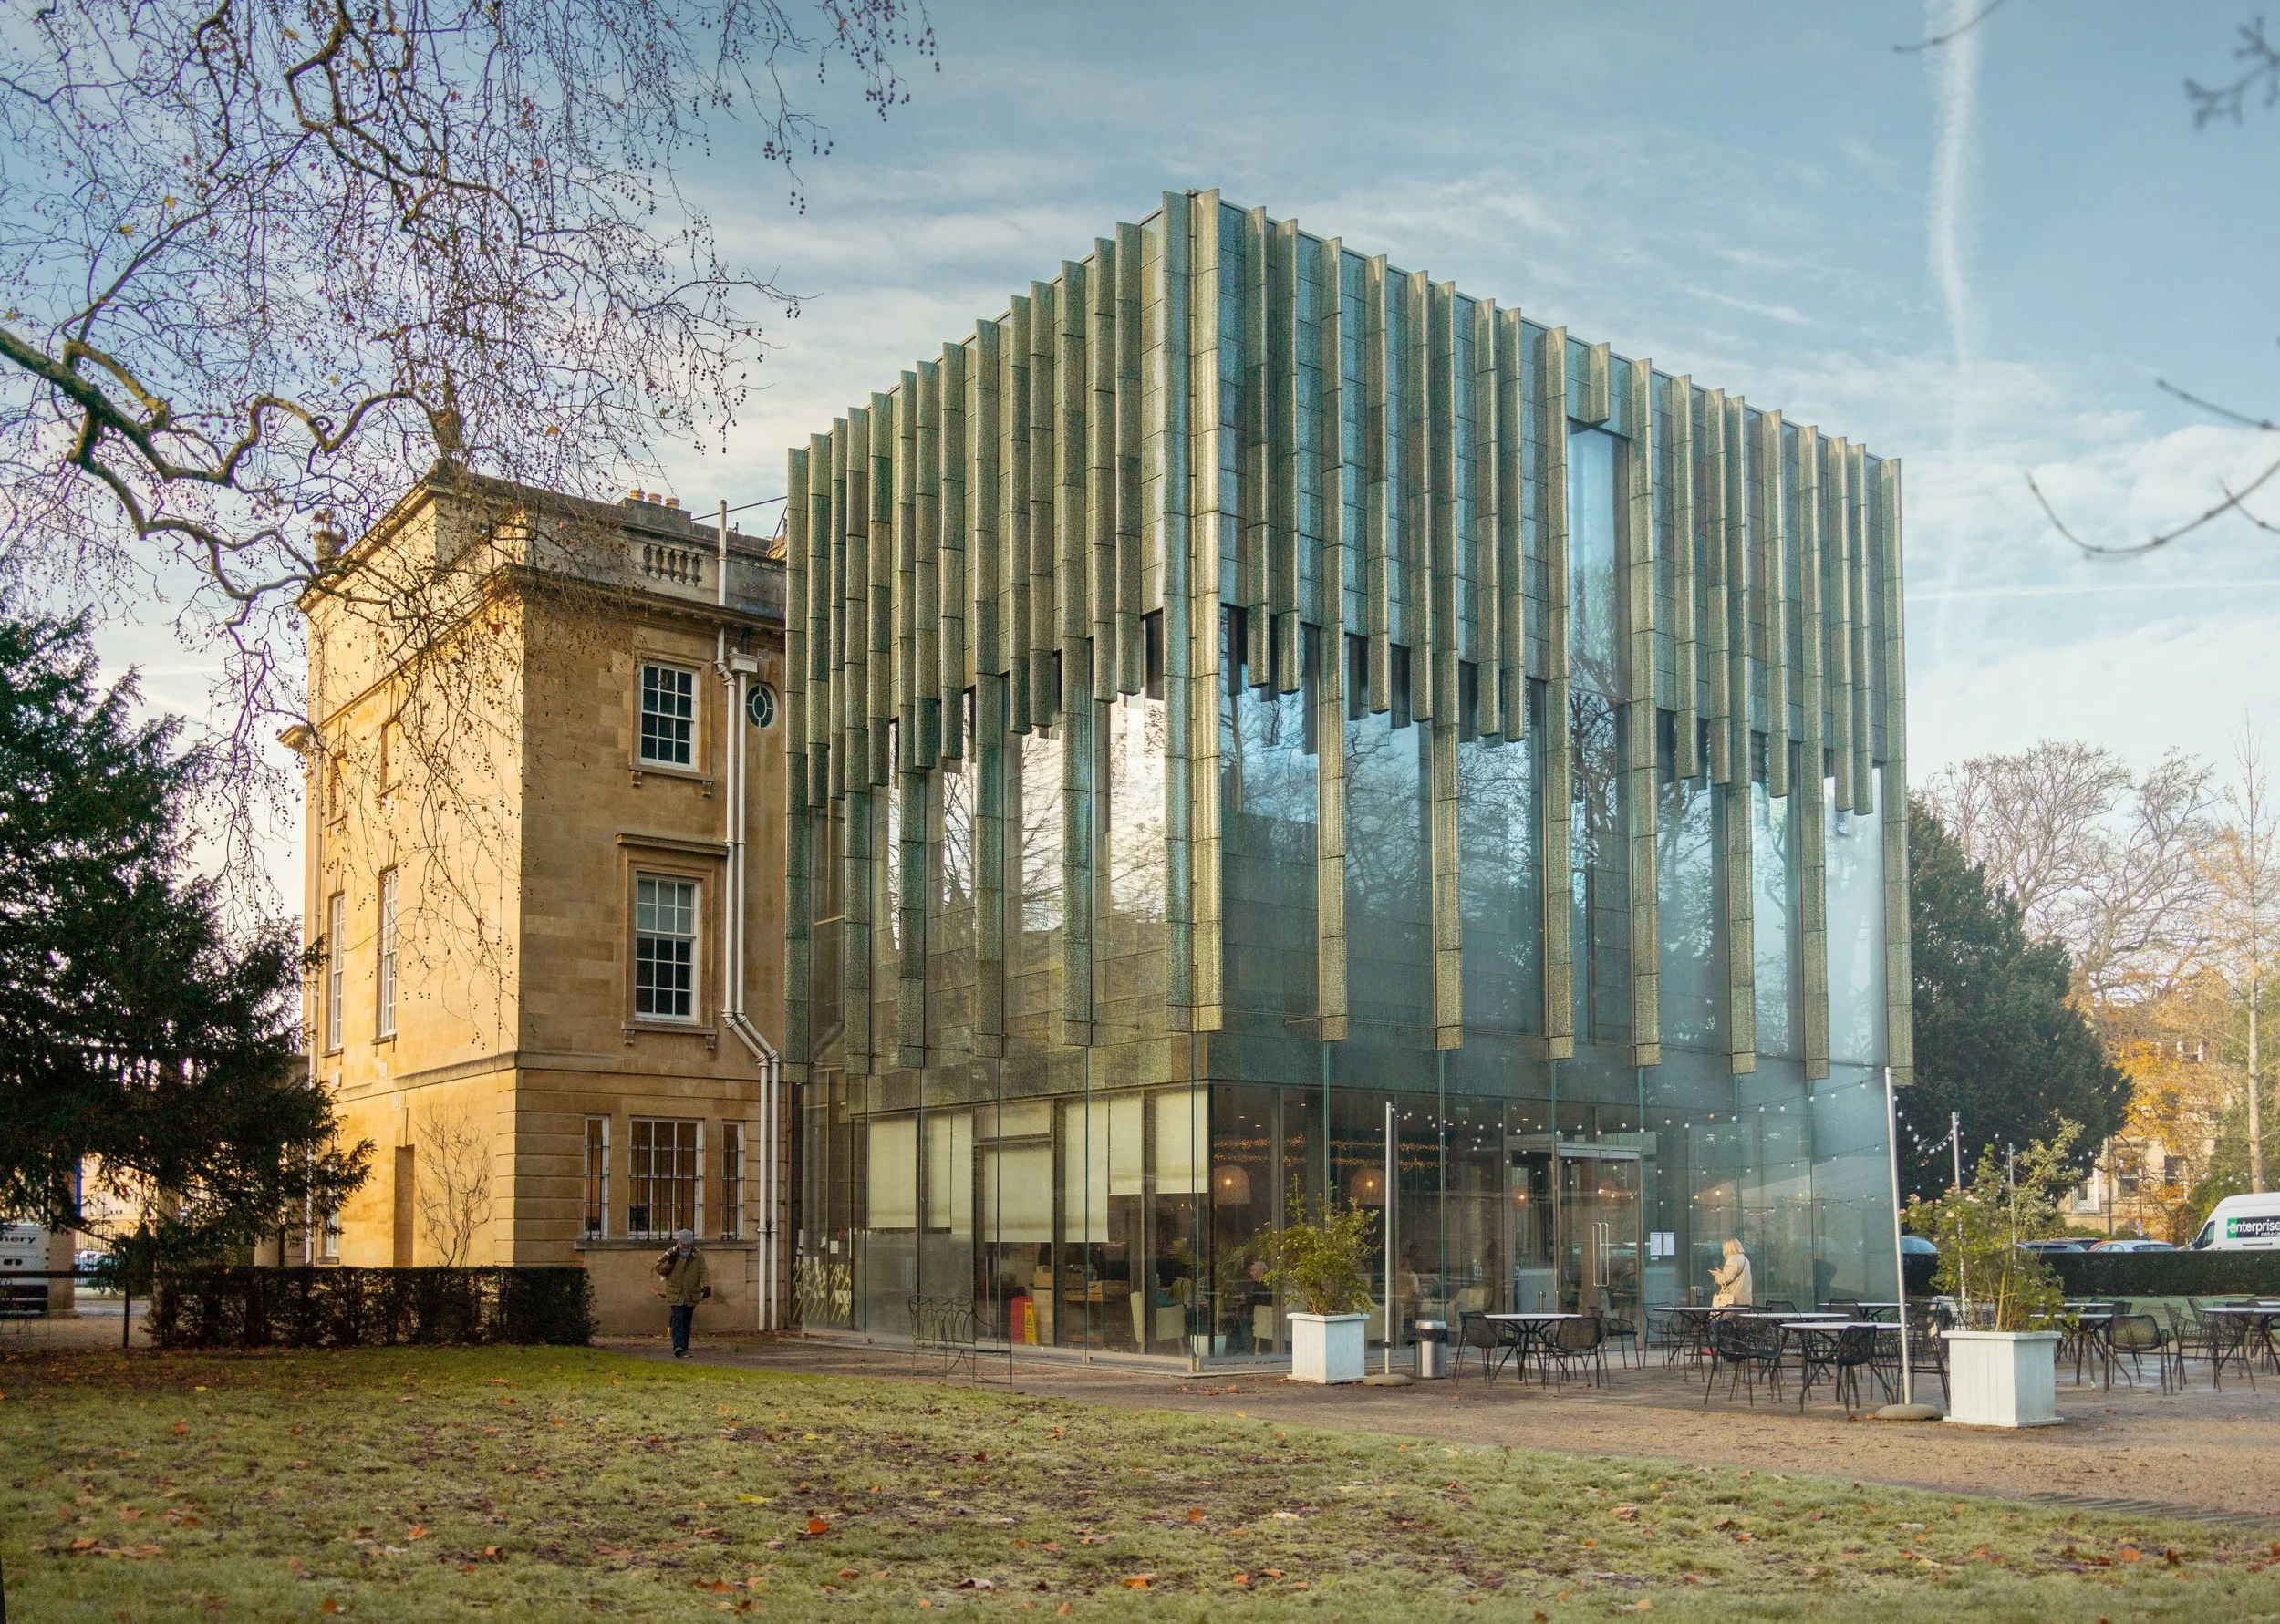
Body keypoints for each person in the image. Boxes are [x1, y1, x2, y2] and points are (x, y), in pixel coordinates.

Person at [652, 1228, 710, 1358]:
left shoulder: (698, 1255)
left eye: (688, 1245)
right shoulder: (670, 1253)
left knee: (686, 1321)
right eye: (683, 1244)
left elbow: (704, 1271)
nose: (685, 1247)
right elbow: (659, 1269)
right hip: (675, 1293)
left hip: (691, 1294)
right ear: (679, 1242)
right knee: (677, 1319)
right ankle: (678, 1346)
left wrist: (707, 1286)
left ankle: (684, 1346)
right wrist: (670, 1263)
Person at [1708, 1237, 1753, 1309]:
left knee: (1726, 1318)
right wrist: (1722, 1273)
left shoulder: (1732, 1259)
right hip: (1745, 1300)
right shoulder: (1745, 1259)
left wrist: (1717, 1275)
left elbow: (1726, 1279)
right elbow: (1734, 1277)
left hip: (1733, 1301)